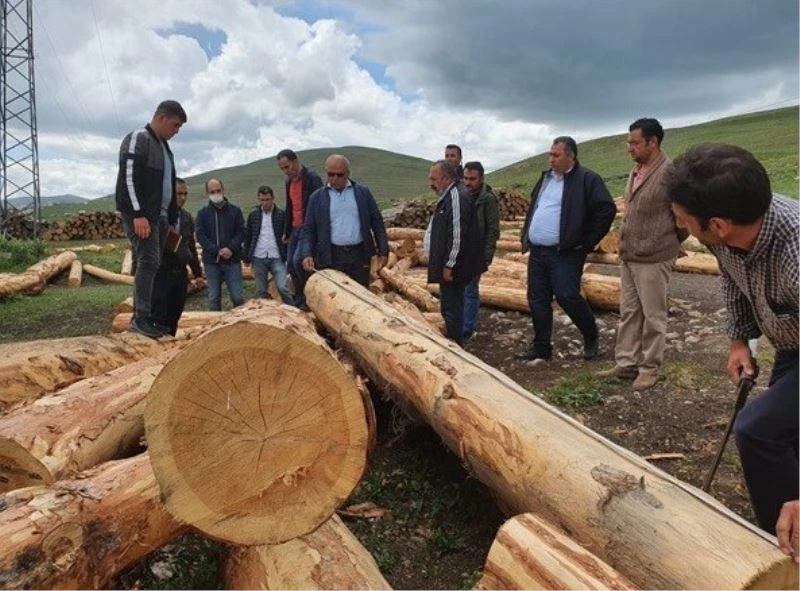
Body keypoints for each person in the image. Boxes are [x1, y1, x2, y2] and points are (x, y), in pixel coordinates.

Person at [665, 143, 798, 539]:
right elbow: (732, 279)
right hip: (793, 343)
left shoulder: (795, 252)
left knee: (758, 430)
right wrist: (739, 340)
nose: (680, 227)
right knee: (785, 432)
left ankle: (783, 552)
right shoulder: (726, 237)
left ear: (718, 224)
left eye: (682, 220)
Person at [598, 118, 687, 390]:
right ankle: (626, 363)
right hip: (630, 255)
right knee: (630, 312)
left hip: (654, 256)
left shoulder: (670, 174)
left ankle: (649, 368)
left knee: (653, 315)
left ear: (653, 142)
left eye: (635, 143)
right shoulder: (636, 170)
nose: (630, 148)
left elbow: (682, 220)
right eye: (629, 143)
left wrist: (665, 243)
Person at [516, 136, 615, 362]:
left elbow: (606, 210)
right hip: (538, 252)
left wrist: (586, 242)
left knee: (567, 295)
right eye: (550, 154)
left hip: (566, 252)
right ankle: (541, 347)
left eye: (556, 155)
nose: (551, 159)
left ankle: (591, 336)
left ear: (571, 156)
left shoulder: (587, 179)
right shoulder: (546, 179)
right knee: (537, 299)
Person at [115, 100, 187, 338]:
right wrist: (138, 213)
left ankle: (151, 317)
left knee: (155, 264)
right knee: (147, 261)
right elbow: (129, 178)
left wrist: (173, 216)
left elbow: (168, 186)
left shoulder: (165, 148)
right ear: (162, 118)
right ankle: (140, 319)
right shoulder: (139, 138)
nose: (176, 131)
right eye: (175, 125)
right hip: (144, 216)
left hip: (162, 216)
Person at [300, 154, 389, 287]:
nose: (334, 178)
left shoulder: (362, 193)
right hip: (332, 255)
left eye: (339, 175)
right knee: (335, 296)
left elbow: (377, 222)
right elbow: (308, 229)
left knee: (361, 294)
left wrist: (383, 250)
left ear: (348, 173)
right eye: (331, 174)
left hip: (359, 254)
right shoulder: (317, 198)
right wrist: (306, 253)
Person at [425, 160, 480, 345]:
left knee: (452, 308)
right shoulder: (450, 195)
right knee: (450, 306)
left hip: (454, 267)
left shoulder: (456, 196)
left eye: (434, 179)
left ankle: (456, 347)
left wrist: (449, 264)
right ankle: (455, 342)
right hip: (449, 265)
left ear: (446, 178)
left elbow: (457, 234)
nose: (431, 183)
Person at [150, 177, 203, 335]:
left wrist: (198, 273)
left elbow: (191, 247)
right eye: (178, 194)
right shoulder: (156, 215)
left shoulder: (186, 217)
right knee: (158, 315)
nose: (183, 198)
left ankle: (169, 346)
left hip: (180, 274)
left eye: (185, 194)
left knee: (175, 314)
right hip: (161, 272)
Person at [276, 149, 323, 308]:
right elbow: (290, 206)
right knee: (290, 264)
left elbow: (319, 204)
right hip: (295, 228)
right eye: (282, 169)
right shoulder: (288, 182)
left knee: (299, 262)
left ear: (296, 161)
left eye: (287, 167)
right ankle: (298, 298)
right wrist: (286, 230)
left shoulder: (312, 178)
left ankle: (307, 297)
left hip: (308, 227)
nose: (285, 171)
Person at [461, 161, 500, 340]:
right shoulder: (461, 195)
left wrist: (487, 256)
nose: (468, 182)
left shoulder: (488, 199)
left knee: (470, 289)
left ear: (481, 178)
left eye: (472, 179)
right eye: (466, 178)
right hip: (459, 249)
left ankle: (467, 328)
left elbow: (493, 229)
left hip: (476, 252)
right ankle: (458, 322)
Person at [195, 178, 246, 310]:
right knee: (213, 298)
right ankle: (216, 326)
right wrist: (216, 250)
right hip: (211, 262)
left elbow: (241, 232)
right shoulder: (202, 214)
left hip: (232, 260)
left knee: (238, 297)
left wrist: (230, 248)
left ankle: (242, 325)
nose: (216, 194)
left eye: (218, 190)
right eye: (212, 191)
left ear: (223, 190)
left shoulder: (235, 211)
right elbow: (201, 236)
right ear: (207, 193)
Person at [243, 185, 292, 304]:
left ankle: (293, 309)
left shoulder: (282, 215)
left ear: (273, 199)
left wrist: (287, 255)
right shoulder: (253, 215)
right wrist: (246, 257)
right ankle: (265, 317)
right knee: (261, 292)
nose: (265, 203)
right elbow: (248, 237)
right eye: (262, 200)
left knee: (282, 287)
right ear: (258, 200)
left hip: (277, 257)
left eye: (267, 199)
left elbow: (288, 236)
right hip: (258, 257)